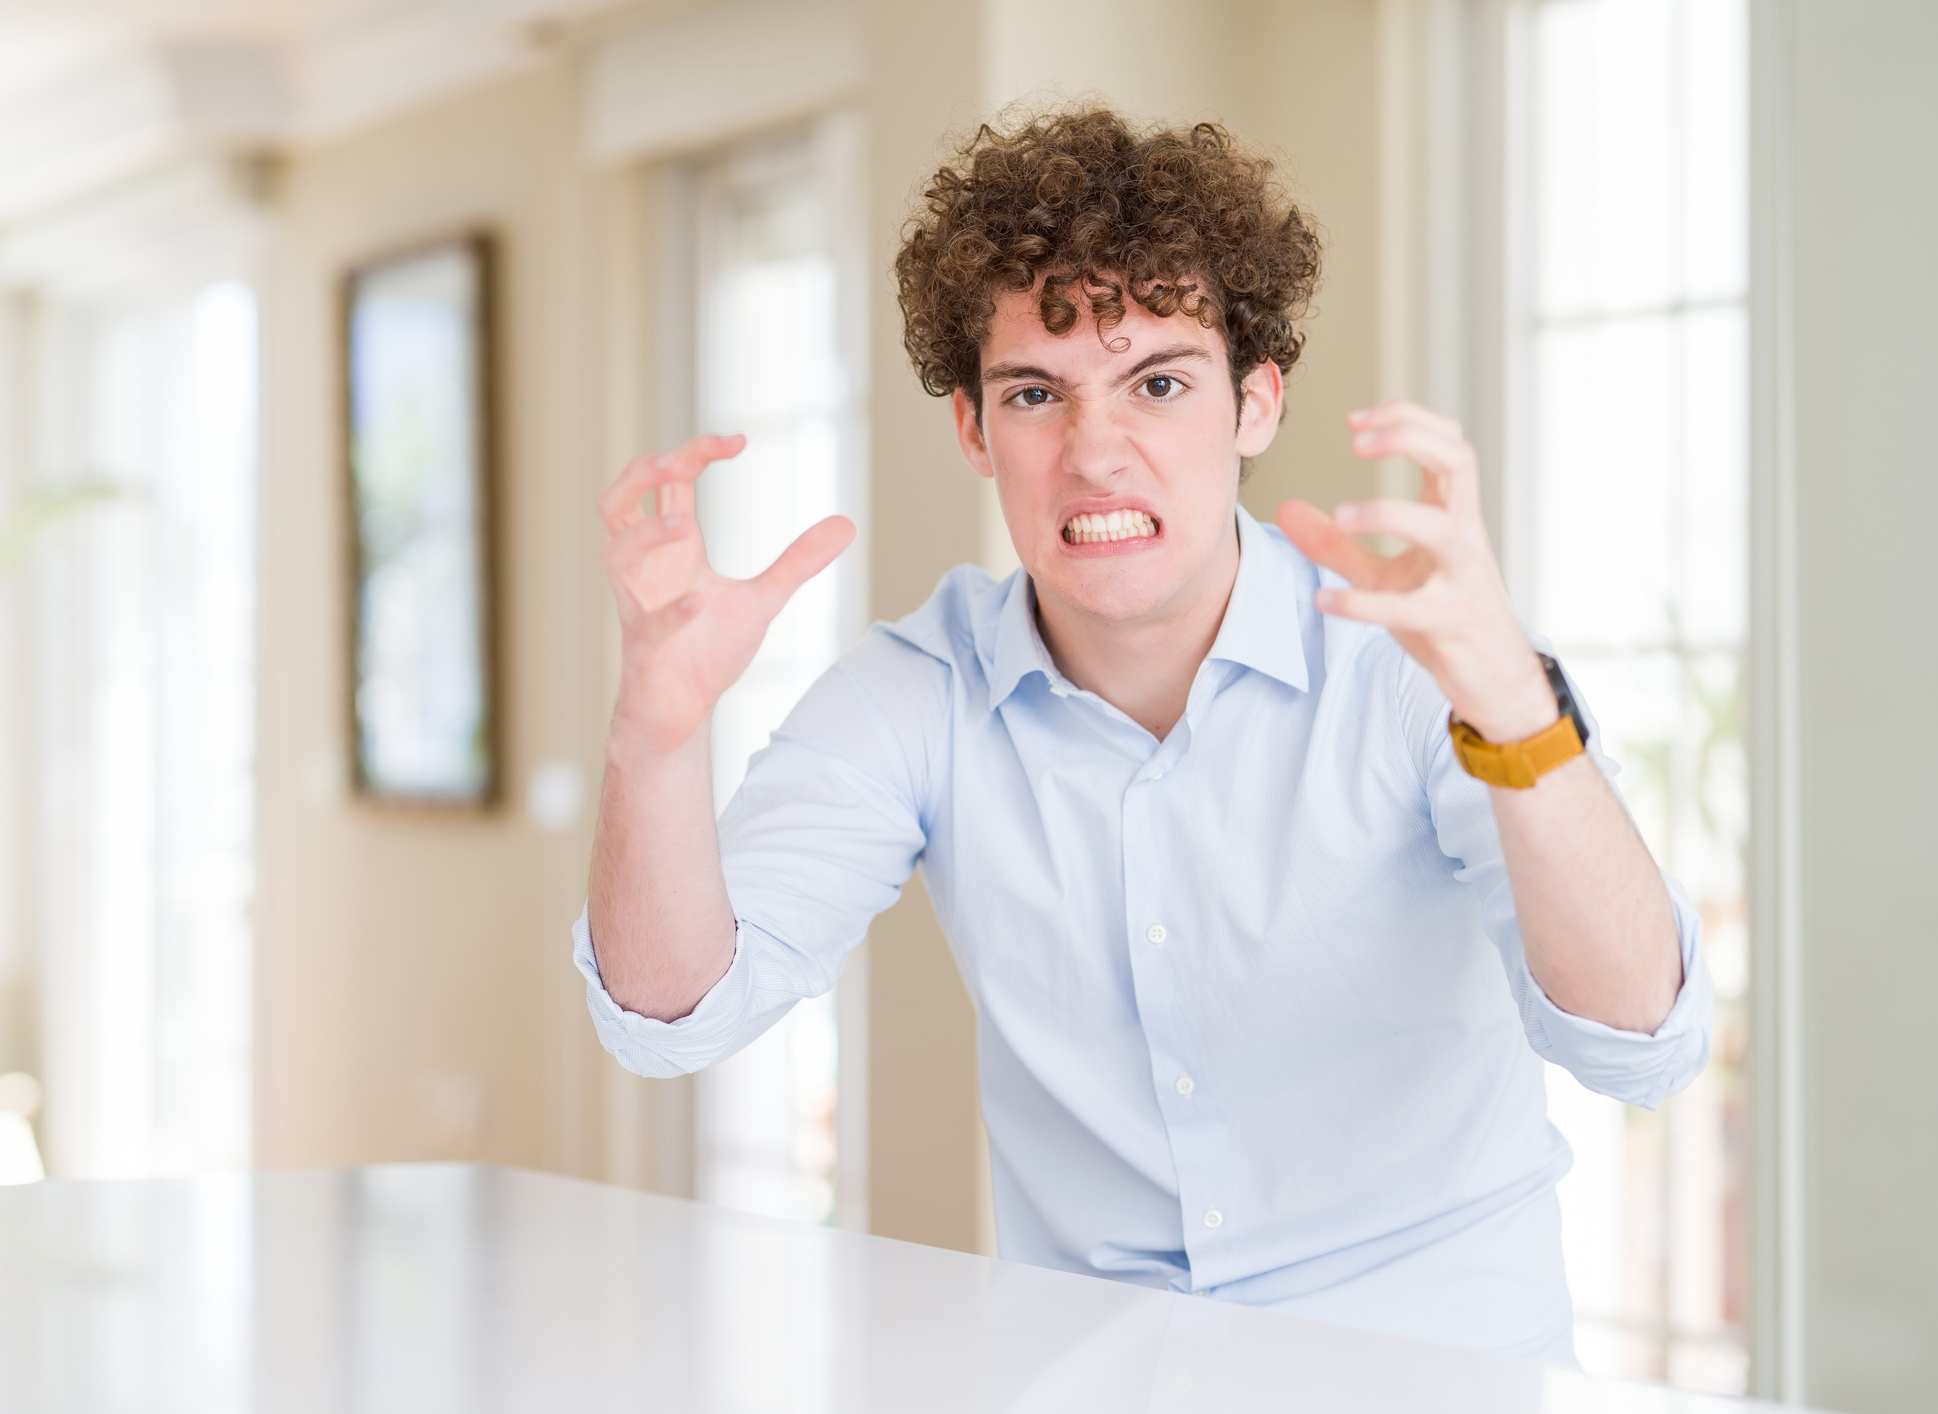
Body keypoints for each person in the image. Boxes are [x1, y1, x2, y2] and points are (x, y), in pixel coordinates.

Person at [577, 107, 1710, 1363]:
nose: (1094, 453)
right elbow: (669, 1014)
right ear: (972, 429)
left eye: (1157, 383)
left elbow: (1639, 1045)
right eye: (1033, 394)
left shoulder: (1408, 668)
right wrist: (655, 735)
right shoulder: (918, 691)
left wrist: (1519, 720)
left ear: (1254, 404)